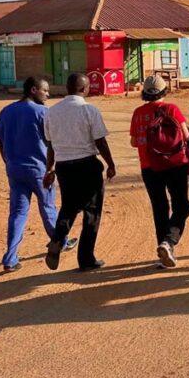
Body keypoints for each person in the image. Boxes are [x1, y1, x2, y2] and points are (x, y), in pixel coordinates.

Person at [0, 76, 77, 272]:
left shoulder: (6, 111)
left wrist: (9, 162)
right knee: (48, 207)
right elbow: (52, 144)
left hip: (14, 169)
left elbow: (0, 141)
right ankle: (60, 242)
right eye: (44, 90)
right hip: (39, 169)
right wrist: (52, 168)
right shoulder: (42, 113)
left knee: (17, 214)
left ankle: (10, 258)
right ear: (33, 90)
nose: (47, 94)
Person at [43, 73, 117, 272]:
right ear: (84, 88)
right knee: (92, 212)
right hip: (87, 166)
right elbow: (100, 141)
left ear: (67, 88)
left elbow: (50, 145)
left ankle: (57, 239)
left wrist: (49, 169)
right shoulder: (89, 110)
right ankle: (86, 259)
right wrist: (110, 163)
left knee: (68, 207)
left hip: (64, 167)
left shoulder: (52, 112)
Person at [130, 75, 189, 269]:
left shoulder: (138, 113)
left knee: (159, 207)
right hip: (175, 164)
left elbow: (133, 142)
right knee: (181, 205)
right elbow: (186, 135)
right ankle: (169, 242)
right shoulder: (171, 109)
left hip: (149, 167)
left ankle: (163, 252)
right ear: (164, 91)